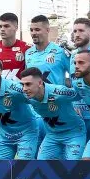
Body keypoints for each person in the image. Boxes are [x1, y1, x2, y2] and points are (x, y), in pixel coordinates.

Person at [0, 57, 40, 159]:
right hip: (4, 136)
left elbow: (39, 99)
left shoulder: (16, 89)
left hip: (26, 133)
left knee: (25, 168)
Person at [25, 14, 71, 151]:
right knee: (35, 150)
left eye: (37, 29)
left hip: (57, 108)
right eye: (32, 30)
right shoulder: (28, 53)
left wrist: (75, 103)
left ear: (47, 30)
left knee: (59, 152)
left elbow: (74, 77)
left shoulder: (60, 52)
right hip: (36, 111)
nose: (34, 33)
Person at [20, 67, 85, 160]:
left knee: (73, 166)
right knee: (41, 166)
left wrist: (76, 105)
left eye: (28, 84)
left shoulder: (59, 92)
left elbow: (80, 94)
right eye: (22, 85)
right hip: (52, 135)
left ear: (39, 83)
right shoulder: (25, 96)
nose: (24, 89)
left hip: (74, 133)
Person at [0, 13, 29, 80]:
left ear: (16, 28)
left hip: (19, 89)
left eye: (6, 26)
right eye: (0, 26)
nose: (2, 29)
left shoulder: (27, 48)